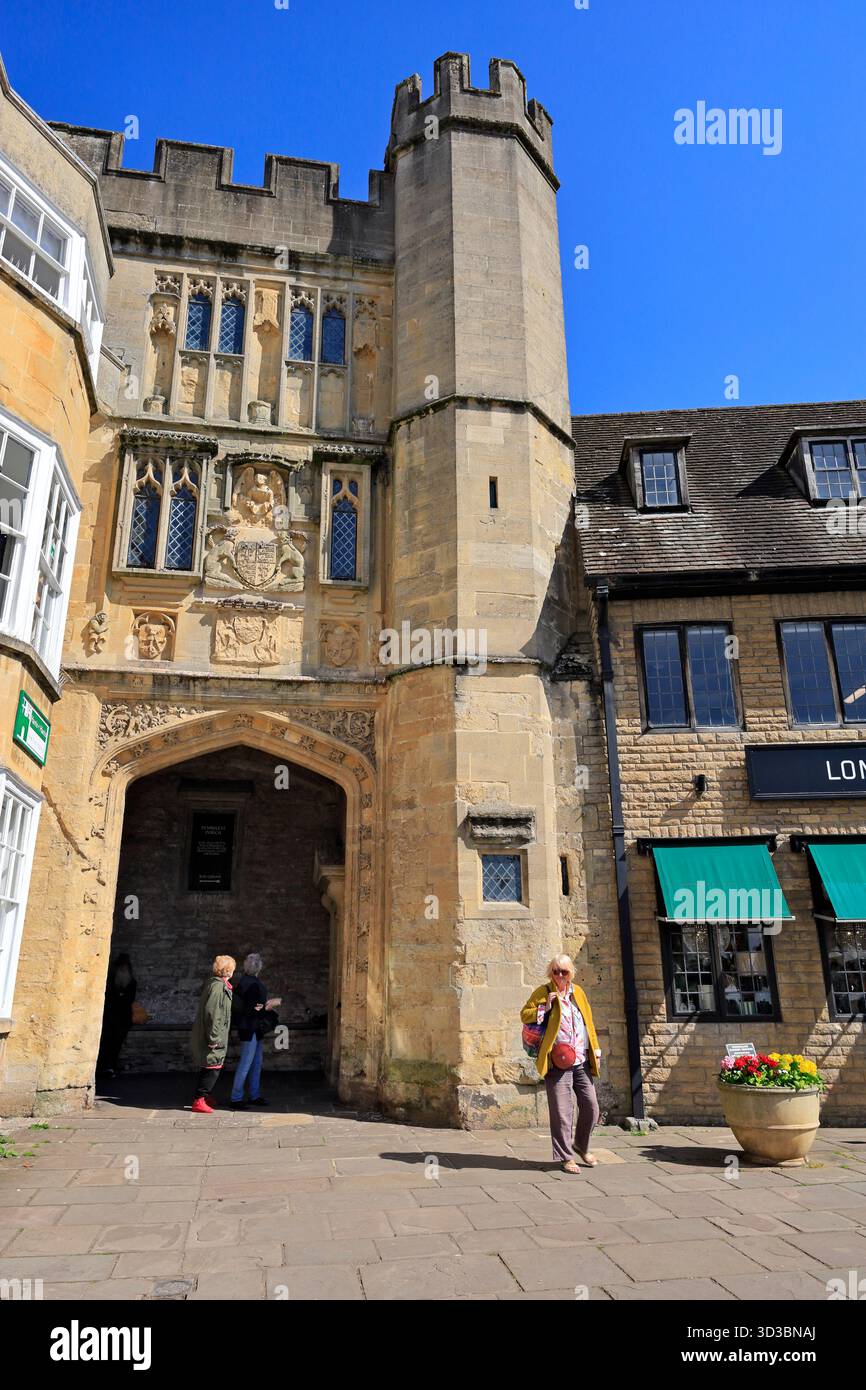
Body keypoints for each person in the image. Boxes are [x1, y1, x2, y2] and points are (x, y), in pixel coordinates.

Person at [521, 954, 602, 1175]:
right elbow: (524, 1014)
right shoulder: (544, 992)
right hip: (557, 1062)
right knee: (562, 1112)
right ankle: (566, 1157)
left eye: (563, 972)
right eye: (555, 971)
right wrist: (545, 1007)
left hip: (581, 1061)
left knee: (591, 1107)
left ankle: (581, 1146)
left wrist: (595, 1049)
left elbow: (589, 1023)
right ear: (550, 973)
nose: (559, 975)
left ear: (571, 973)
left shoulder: (579, 993)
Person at [229, 953, 281, 1110]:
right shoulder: (252, 984)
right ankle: (236, 1098)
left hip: (252, 1028)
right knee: (246, 1063)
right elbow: (251, 1010)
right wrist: (269, 1005)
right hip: (250, 1028)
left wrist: (261, 1006)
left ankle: (254, 1094)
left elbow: (250, 1007)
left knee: (255, 1063)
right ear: (259, 968)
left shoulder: (244, 982)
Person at [190, 954, 236, 1114]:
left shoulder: (216, 984)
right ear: (228, 970)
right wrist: (214, 1038)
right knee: (213, 1067)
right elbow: (213, 1013)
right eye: (233, 968)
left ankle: (205, 1095)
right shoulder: (218, 987)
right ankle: (199, 1099)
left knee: (210, 1066)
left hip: (216, 1033)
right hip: (214, 1035)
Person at [96, 953, 137, 1077]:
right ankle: (103, 1067)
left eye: (125, 968)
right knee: (106, 1043)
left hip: (123, 1019)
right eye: (121, 968)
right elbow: (109, 998)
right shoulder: (110, 981)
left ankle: (111, 1067)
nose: (123, 971)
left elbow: (129, 999)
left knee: (116, 1044)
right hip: (110, 1018)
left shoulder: (132, 983)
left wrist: (120, 998)